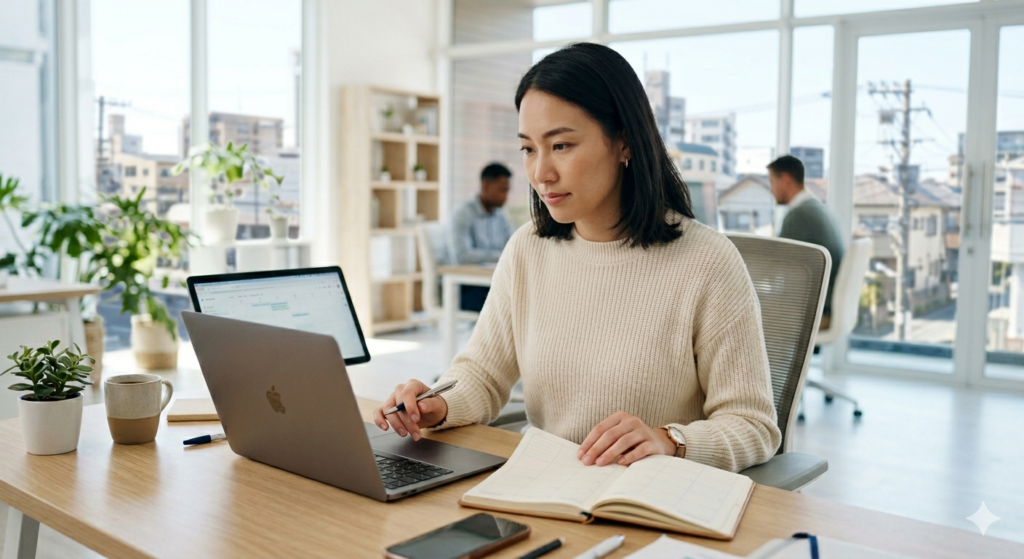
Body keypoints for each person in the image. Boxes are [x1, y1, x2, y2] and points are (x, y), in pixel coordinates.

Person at [374, 43, 780, 474]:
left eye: (562, 145)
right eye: (529, 149)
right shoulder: (528, 248)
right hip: (547, 489)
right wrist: (436, 403)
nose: (541, 173)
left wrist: (670, 440)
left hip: (647, 503)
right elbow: (483, 374)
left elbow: (753, 425)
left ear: (624, 142)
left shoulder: (708, 263)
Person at [768, 155, 845, 329]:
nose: (771, 190)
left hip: (814, 311)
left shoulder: (798, 216)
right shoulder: (817, 209)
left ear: (786, 180)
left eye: (772, 183)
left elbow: (774, 267)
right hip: (824, 305)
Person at [447, 162, 515, 312]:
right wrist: (500, 256)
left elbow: (512, 246)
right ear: (485, 186)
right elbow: (462, 256)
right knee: (513, 305)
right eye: (502, 190)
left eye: (507, 191)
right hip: (468, 288)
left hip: (493, 283)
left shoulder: (500, 215)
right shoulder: (463, 214)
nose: (505, 197)